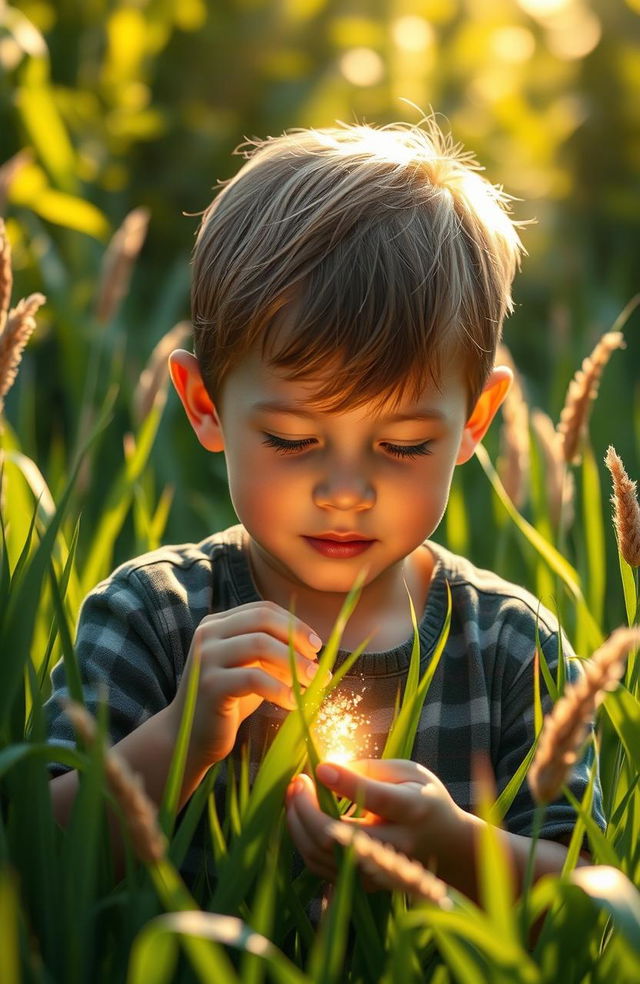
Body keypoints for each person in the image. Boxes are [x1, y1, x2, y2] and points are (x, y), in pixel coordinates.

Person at [45, 117, 605, 903]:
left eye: (405, 445)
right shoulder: (154, 617)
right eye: (292, 438)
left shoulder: (513, 649)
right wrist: (178, 741)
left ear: (475, 423)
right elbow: (33, 866)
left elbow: (598, 909)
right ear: (204, 405)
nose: (347, 489)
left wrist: (450, 848)